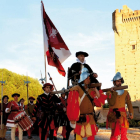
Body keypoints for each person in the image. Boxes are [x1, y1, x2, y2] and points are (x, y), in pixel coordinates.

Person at [67, 68, 107, 140]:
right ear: (83, 78)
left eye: (89, 78)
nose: (89, 79)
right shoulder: (76, 89)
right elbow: (72, 105)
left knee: (91, 137)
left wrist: (96, 91)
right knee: (79, 137)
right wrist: (72, 118)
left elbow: (99, 103)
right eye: (87, 78)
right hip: (80, 119)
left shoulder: (91, 90)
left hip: (91, 118)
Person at [106, 72, 134, 140]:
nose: (119, 82)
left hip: (122, 116)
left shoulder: (125, 92)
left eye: (120, 81)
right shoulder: (109, 92)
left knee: (124, 134)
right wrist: (113, 92)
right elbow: (111, 103)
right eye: (118, 81)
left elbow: (129, 103)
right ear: (114, 82)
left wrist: (131, 113)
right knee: (114, 135)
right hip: (113, 115)